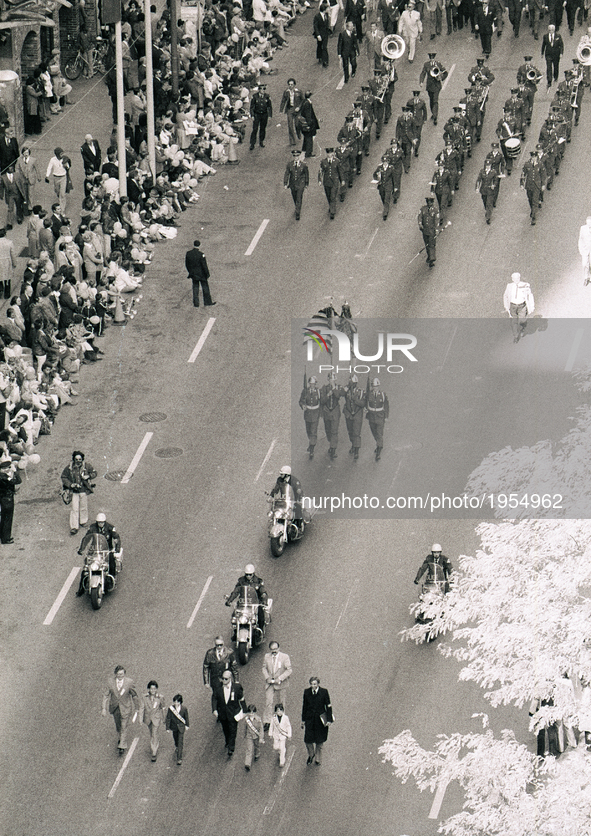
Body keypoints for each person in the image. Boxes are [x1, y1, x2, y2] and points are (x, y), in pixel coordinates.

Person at [77, 512, 122, 594]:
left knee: (111, 563)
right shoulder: (92, 528)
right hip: (95, 549)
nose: (100, 524)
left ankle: (111, 580)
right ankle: (81, 588)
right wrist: (81, 549)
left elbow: (116, 538)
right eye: (99, 522)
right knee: (86, 567)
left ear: (104, 522)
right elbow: (86, 539)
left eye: (102, 522)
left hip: (107, 549)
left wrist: (117, 549)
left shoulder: (110, 528)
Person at [102, 665, 140, 756]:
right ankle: (120, 738)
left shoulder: (129, 682)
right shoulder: (110, 682)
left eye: (122, 674)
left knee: (124, 726)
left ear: (124, 674)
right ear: (115, 674)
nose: (120, 676)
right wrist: (104, 708)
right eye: (119, 674)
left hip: (126, 708)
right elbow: (106, 695)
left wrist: (137, 707)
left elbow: (134, 695)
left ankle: (122, 745)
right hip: (115, 708)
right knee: (118, 725)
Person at [61, 450, 97, 535]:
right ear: (73, 460)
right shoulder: (69, 468)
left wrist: (88, 476)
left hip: (83, 490)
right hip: (74, 491)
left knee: (83, 507)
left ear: (82, 459)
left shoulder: (87, 466)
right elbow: (63, 477)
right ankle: (74, 527)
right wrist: (70, 485)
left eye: (80, 459)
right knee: (74, 508)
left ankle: (83, 521)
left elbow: (95, 473)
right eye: (76, 459)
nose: (78, 461)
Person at [211, 670, 246, 756]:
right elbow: (214, 698)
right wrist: (214, 709)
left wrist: (245, 710)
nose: (224, 681)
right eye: (222, 678)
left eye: (226, 679)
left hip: (233, 713)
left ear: (230, 678)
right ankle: (227, 741)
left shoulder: (237, 687)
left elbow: (242, 699)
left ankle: (231, 747)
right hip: (223, 714)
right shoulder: (218, 688)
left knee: (233, 730)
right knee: (225, 729)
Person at [226, 563, 268, 630]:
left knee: (260, 615)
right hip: (243, 603)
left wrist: (264, 600)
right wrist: (229, 600)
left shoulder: (258, 581)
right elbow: (235, 591)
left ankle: (261, 631)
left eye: (250, 574)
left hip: (255, 603)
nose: (248, 576)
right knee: (235, 616)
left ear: (253, 574)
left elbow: (263, 591)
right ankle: (235, 631)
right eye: (247, 574)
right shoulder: (241, 581)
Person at [301, 676, 333, 765]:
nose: (313, 686)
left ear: (318, 684)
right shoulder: (307, 692)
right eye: (311, 684)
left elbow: (328, 706)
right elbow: (305, 706)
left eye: (315, 684)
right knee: (308, 740)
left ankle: (318, 758)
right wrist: (303, 720)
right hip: (310, 719)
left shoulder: (324, 692)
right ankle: (311, 755)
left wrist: (329, 720)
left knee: (319, 741)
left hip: (320, 720)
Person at [262, 641, 293, 728]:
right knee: (269, 702)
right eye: (272, 649)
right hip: (270, 684)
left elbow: (289, 670)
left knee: (281, 703)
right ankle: (267, 721)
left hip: (281, 683)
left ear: (279, 648)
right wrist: (267, 677)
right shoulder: (266, 656)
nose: (274, 651)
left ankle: (281, 720)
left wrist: (279, 678)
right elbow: (264, 668)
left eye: (275, 649)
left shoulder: (285, 657)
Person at [139, 680, 166, 761]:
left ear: (156, 689)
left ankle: (154, 751)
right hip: (148, 719)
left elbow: (163, 708)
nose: (153, 691)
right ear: (148, 689)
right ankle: (155, 743)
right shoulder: (144, 697)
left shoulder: (160, 697)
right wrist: (140, 719)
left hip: (156, 718)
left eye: (154, 689)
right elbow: (141, 708)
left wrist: (164, 718)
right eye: (151, 689)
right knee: (152, 733)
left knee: (154, 733)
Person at [503, 271, 535, 342]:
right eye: (514, 279)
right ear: (512, 279)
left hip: (522, 306)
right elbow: (505, 296)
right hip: (512, 306)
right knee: (514, 322)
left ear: (519, 278)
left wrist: (532, 306)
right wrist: (506, 306)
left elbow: (530, 295)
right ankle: (516, 336)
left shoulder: (525, 285)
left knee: (522, 320)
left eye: (517, 278)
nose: (516, 280)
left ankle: (523, 327)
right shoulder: (509, 286)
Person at [320, 371, 344, 459]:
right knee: (328, 430)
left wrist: (333, 388)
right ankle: (331, 443)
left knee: (334, 431)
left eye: (333, 379)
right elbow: (322, 400)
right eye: (330, 379)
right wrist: (327, 395)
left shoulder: (338, 387)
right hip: (327, 412)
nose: (332, 381)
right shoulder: (324, 388)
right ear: (328, 379)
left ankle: (333, 449)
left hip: (335, 412)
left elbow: (338, 395)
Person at [185, 240, 216, 308]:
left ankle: (196, 303)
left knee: (195, 287)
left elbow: (187, 264)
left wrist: (190, 272)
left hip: (193, 274)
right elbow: (204, 265)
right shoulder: (201, 254)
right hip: (202, 274)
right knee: (205, 287)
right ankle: (207, 302)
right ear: (199, 245)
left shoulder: (188, 253)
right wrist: (207, 274)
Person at [419, 53, 448, 124]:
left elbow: (445, 72)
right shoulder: (426, 64)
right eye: (431, 58)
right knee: (431, 100)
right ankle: (433, 112)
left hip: (436, 85)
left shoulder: (438, 64)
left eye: (433, 58)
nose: (432, 59)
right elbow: (423, 73)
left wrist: (441, 78)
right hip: (429, 86)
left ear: (434, 58)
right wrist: (421, 81)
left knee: (435, 101)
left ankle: (435, 117)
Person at [366, 377, 389, 461]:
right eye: (373, 386)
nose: (375, 388)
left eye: (376, 386)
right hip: (371, 417)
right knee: (374, 433)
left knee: (379, 434)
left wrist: (386, 416)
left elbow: (386, 405)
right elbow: (366, 403)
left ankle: (379, 450)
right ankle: (378, 444)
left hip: (380, 417)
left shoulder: (382, 395)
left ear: (378, 386)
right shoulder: (369, 394)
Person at [520, 150, 545, 226]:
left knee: (534, 200)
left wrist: (543, 184)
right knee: (530, 199)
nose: (534, 158)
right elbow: (523, 174)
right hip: (529, 185)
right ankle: (533, 210)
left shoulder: (540, 164)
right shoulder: (527, 164)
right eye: (532, 157)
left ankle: (534, 217)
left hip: (537, 185)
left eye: (535, 157)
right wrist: (521, 184)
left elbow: (543, 175)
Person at [318, 147, 345, 219]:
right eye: (328, 153)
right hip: (327, 182)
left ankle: (332, 212)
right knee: (328, 196)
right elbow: (320, 172)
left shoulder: (337, 161)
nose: (329, 154)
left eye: (330, 153)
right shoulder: (323, 162)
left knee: (333, 196)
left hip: (335, 182)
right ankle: (331, 206)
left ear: (333, 153)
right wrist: (320, 180)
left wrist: (342, 180)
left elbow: (340, 172)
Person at [475, 158, 502, 224]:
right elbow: (479, 180)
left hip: (490, 190)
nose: (487, 167)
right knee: (485, 201)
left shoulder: (493, 172)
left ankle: (488, 217)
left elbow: (496, 180)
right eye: (486, 165)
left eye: (489, 165)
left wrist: (494, 185)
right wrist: (477, 188)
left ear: (490, 165)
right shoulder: (482, 171)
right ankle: (487, 211)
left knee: (489, 204)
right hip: (483, 190)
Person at [284, 150, 309, 221]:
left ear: (299, 156)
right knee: (294, 197)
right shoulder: (290, 164)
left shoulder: (303, 165)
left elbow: (306, 174)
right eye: (294, 156)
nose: (296, 157)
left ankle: (297, 213)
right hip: (293, 184)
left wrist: (306, 183)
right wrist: (285, 183)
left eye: (297, 156)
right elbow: (287, 174)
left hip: (300, 184)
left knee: (299, 197)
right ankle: (297, 207)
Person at [0, 459, 21, 544]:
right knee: (8, 517)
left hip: (3, 498)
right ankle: (6, 538)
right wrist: (15, 472)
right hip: (7, 499)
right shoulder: (4, 477)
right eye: (6, 468)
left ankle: (2, 535)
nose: (7, 469)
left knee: (4, 517)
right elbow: (17, 481)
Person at [280, 78, 304, 146]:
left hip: (297, 110)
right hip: (290, 109)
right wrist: (281, 110)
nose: (290, 86)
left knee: (297, 124)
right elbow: (283, 100)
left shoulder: (299, 91)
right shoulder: (286, 92)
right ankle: (292, 141)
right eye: (289, 84)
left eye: (292, 84)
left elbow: (303, 100)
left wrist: (299, 107)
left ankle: (298, 132)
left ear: (294, 85)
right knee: (290, 125)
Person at [166, 693, 189, 765]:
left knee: (180, 742)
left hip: (181, 727)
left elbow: (186, 717)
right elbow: (168, 718)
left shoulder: (184, 709)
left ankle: (179, 758)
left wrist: (187, 725)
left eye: (177, 702)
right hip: (174, 727)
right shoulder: (171, 709)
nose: (176, 703)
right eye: (174, 702)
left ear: (180, 702)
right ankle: (177, 747)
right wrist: (167, 727)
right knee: (176, 739)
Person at [417, 195, 439, 267]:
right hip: (425, 231)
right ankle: (429, 256)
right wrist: (420, 224)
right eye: (428, 202)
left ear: (432, 203)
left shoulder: (435, 211)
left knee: (431, 244)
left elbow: (436, 220)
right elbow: (420, 217)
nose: (429, 204)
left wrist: (436, 229)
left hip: (432, 231)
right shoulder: (423, 209)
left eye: (430, 202)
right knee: (427, 244)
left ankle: (432, 259)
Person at [45, 147, 68, 214]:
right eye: (60, 154)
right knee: (57, 191)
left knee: (62, 194)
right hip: (56, 177)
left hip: (63, 177)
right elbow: (49, 168)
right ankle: (60, 198)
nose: (62, 155)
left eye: (62, 153)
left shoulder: (65, 158)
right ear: (57, 154)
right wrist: (47, 176)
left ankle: (62, 211)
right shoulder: (52, 160)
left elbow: (68, 166)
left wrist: (66, 165)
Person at [249, 84, 273, 150]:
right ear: (259, 90)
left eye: (264, 89)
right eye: (262, 89)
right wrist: (252, 115)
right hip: (257, 114)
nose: (263, 90)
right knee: (255, 129)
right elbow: (252, 107)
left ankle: (261, 141)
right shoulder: (254, 96)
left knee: (263, 128)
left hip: (264, 114)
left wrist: (270, 115)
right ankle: (252, 143)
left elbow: (269, 107)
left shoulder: (267, 96)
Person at [541, 24, 564, 88]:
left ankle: (556, 76)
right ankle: (549, 81)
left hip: (556, 55)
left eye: (552, 30)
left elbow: (561, 45)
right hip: (548, 54)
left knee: (556, 66)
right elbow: (543, 45)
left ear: (554, 30)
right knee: (549, 68)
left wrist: (561, 53)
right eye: (549, 30)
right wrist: (542, 53)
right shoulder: (545, 36)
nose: (550, 31)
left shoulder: (558, 36)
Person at [270, 703, 292, 767]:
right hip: (276, 735)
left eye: (281, 710)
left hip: (283, 736)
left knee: (282, 748)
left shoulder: (285, 718)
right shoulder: (273, 718)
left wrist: (289, 735)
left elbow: (288, 726)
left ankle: (282, 761)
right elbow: (271, 726)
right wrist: (270, 734)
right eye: (278, 711)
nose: (279, 712)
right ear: (275, 711)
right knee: (275, 747)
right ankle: (281, 750)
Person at [243, 704, 264, 771]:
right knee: (249, 749)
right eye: (250, 712)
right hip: (249, 736)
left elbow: (261, 729)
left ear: (255, 712)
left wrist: (261, 737)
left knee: (256, 746)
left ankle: (257, 754)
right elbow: (245, 728)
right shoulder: (246, 719)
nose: (251, 714)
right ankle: (247, 764)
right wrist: (244, 734)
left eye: (252, 712)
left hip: (256, 736)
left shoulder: (258, 719)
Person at [299, 91, 320, 158]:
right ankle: (308, 153)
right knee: (309, 138)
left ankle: (304, 149)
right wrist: (310, 124)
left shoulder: (304, 101)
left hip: (303, 124)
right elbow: (308, 115)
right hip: (307, 124)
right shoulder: (307, 104)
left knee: (306, 137)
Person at [0, 227, 16, 299]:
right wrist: (14, 263)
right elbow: (13, 254)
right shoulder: (9, 242)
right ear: (5, 234)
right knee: (7, 278)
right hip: (7, 261)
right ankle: (7, 293)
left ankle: (0, 290)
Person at [578, 216, 591, 286]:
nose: (589, 224)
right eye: (588, 223)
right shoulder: (583, 228)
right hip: (585, 249)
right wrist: (580, 249)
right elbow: (580, 239)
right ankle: (586, 277)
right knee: (584, 264)